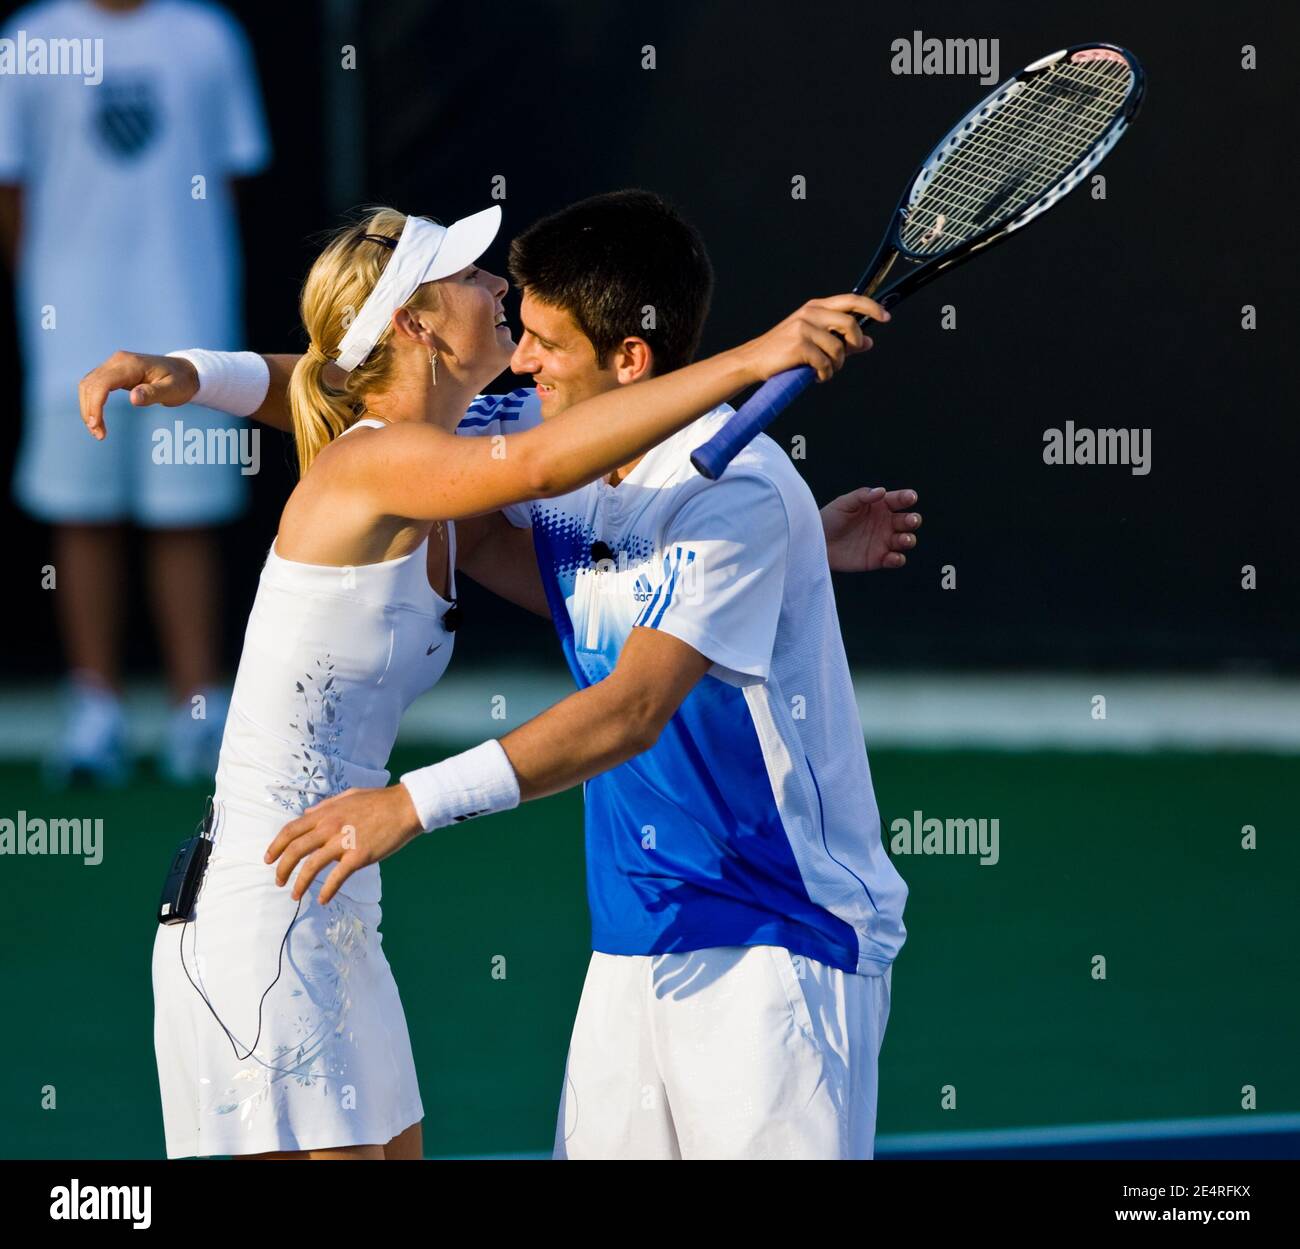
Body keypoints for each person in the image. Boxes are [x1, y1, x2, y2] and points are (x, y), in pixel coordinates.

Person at [91, 191, 916, 1159]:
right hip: (281, 893)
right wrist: (754, 356)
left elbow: (630, 691)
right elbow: (491, 452)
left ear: (628, 359)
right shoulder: (443, 455)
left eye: (539, 335)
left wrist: (780, 553)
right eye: (480, 289)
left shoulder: (672, 477)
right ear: (416, 327)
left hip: (755, 930)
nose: (512, 330)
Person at [0, 0, 269, 783]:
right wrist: (51, 299)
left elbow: (226, 184)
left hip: (188, 325)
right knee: (82, 518)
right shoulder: (28, 41)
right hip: (67, 335)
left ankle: (197, 715)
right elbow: (11, 195)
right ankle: (96, 713)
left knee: (186, 517)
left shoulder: (209, 37)